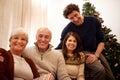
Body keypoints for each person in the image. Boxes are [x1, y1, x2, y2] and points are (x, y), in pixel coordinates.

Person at [56, 3, 115, 80]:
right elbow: (62, 45)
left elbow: (101, 41)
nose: (75, 19)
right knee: (99, 70)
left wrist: (96, 55)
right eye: (71, 18)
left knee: (110, 76)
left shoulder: (94, 21)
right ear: (68, 19)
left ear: (79, 11)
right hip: (82, 53)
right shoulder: (67, 29)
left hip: (96, 51)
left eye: (76, 15)